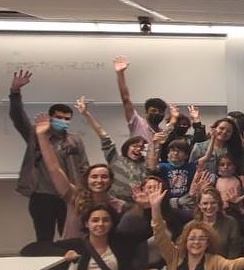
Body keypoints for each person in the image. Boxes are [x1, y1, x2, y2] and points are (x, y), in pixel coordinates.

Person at [9, 70, 89, 243]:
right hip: (42, 196)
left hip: (68, 196)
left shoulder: (75, 140)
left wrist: (84, 193)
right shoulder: (35, 135)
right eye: (59, 118)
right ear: (50, 118)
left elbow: (84, 167)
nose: (63, 121)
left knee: (71, 238)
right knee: (44, 240)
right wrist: (15, 92)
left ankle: (70, 269)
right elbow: (17, 117)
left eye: (67, 119)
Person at [35, 114, 125, 239]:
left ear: (110, 181)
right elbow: (54, 169)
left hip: (102, 255)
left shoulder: (119, 206)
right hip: (73, 252)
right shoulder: (75, 197)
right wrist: (42, 136)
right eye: (94, 177)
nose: (99, 180)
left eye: (104, 177)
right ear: (87, 179)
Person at [76, 96, 147, 203]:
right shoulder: (115, 158)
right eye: (135, 146)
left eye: (141, 148)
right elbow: (103, 135)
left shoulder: (145, 166)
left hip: (136, 205)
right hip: (112, 204)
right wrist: (86, 114)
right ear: (127, 146)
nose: (138, 149)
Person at [194, 186, 244, 270]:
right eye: (205, 203)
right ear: (199, 206)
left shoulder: (230, 223)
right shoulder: (193, 226)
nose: (209, 207)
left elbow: (234, 253)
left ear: (219, 204)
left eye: (213, 203)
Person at [113, 55, 168, 142]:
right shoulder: (137, 122)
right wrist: (120, 74)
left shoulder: (162, 133)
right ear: (146, 112)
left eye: (161, 111)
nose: (157, 113)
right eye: (153, 110)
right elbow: (126, 99)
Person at [147, 131, 196, 199]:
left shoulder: (191, 167)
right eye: (173, 150)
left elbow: (205, 159)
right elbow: (152, 167)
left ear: (186, 155)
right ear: (168, 154)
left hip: (185, 201)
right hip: (167, 201)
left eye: (180, 151)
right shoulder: (163, 166)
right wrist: (154, 144)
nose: (175, 153)